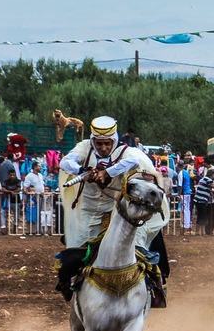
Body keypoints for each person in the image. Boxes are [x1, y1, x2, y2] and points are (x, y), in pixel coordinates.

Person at [56, 116, 167, 307]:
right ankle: (69, 286)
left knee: (142, 247)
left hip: (115, 214)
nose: (103, 148)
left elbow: (133, 162)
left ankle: (153, 287)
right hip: (87, 214)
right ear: (93, 141)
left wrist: (108, 172)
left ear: (113, 141)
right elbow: (65, 163)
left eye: (107, 143)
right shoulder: (84, 148)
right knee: (75, 256)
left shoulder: (126, 151)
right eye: (99, 143)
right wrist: (83, 170)